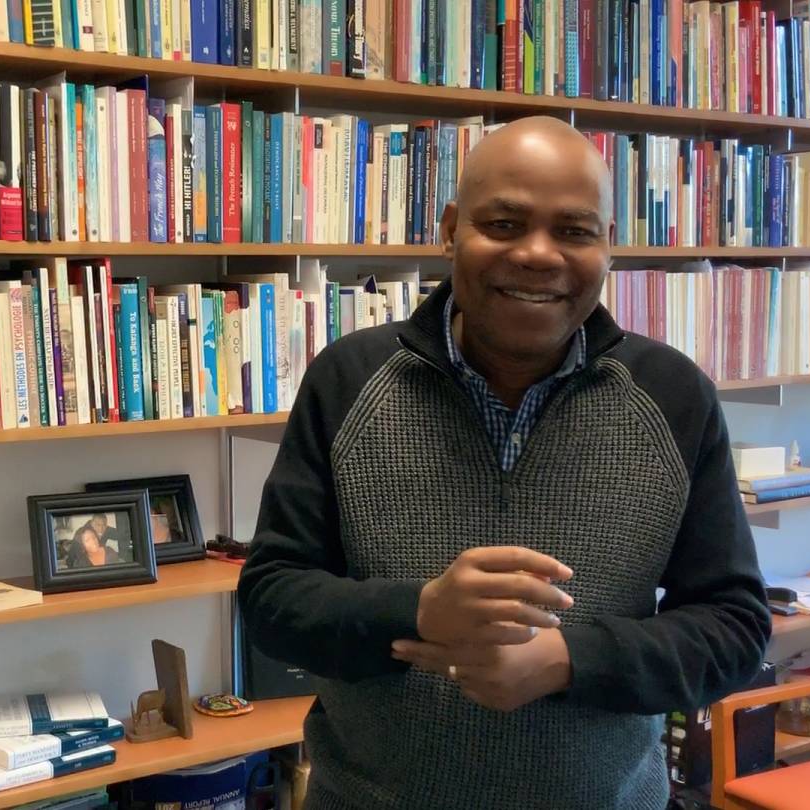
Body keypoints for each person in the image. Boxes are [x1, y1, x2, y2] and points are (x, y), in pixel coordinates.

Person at [238, 117, 770, 810]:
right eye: (504, 224)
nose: (538, 254)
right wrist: (418, 612)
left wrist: (570, 661)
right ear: (450, 229)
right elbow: (271, 597)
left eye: (574, 231)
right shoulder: (348, 379)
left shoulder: (675, 396)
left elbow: (735, 627)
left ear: (608, 245)